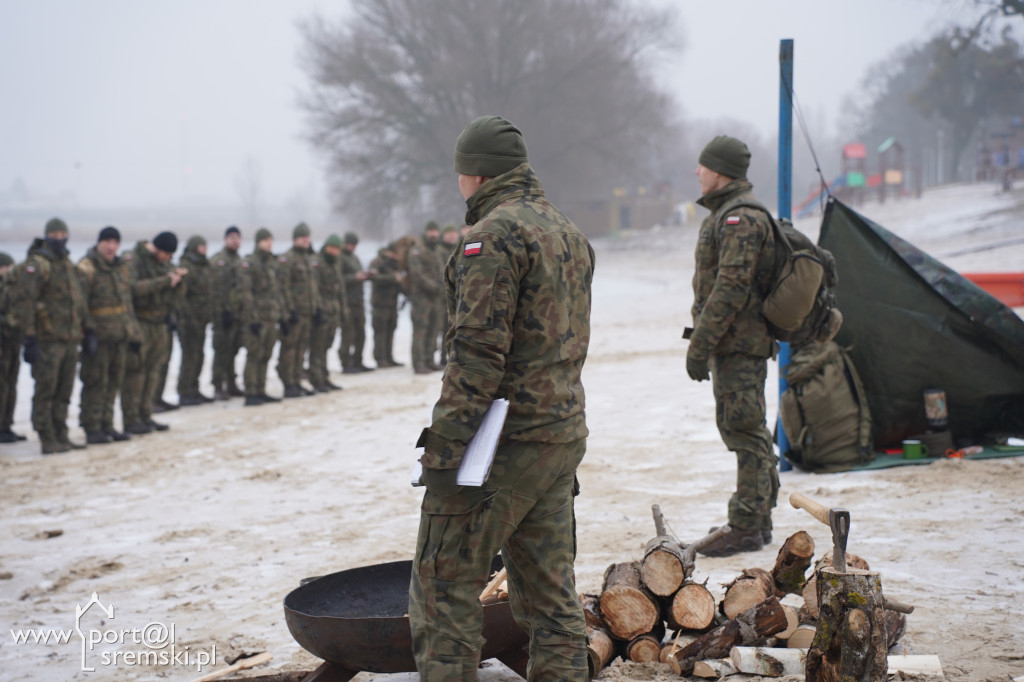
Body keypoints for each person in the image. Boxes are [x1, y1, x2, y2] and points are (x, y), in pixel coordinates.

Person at [409, 115, 594, 680]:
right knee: (551, 600)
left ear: (474, 174)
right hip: (559, 436)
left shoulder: (490, 237)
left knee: (443, 589)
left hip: (502, 445)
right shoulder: (567, 232)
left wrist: (443, 449)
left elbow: (476, 357)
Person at [685, 135, 779, 557]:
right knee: (744, 428)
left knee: (745, 429)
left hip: (740, 345)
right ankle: (755, 520)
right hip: (736, 344)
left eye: (702, 166)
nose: (697, 172)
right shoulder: (729, 213)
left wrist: (699, 344)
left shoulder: (739, 218)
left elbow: (731, 288)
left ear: (720, 171)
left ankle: (746, 522)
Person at [9, 218, 90, 454]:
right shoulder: (37, 265)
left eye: (62, 233)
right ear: (46, 236)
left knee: (64, 390)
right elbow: (25, 303)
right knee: (46, 389)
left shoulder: (66, 264)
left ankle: (60, 432)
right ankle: (46, 435)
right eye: (54, 233)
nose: (59, 238)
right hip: (47, 340)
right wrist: (30, 338)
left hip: (69, 338)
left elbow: (77, 302)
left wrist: (87, 329)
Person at [76, 226, 140, 444]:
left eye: (115, 242)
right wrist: (87, 333)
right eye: (108, 242)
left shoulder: (120, 268)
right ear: (99, 243)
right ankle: (92, 427)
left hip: (119, 336)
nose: (111, 247)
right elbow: (80, 304)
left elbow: (127, 303)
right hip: (98, 337)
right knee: (95, 382)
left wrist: (133, 334)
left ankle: (107, 424)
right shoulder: (87, 267)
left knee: (113, 383)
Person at [122, 231, 186, 434]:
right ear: (158, 249)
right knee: (136, 372)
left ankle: (146, 414)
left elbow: (172, 293)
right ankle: (131, 418)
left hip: (160, 322)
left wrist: (178, 282)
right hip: (140, 322)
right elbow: (132, 289)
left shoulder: (165, 263)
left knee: (153, 371)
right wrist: (165, 281)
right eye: (167, 254)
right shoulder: (133, 260)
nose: (169, 259)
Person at [238, 228, 284, 406]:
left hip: (271, 316)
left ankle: (260, 388)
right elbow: (245, 293)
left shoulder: (272, 264)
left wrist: (280, 313)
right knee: (254, 354)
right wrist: (252, 318)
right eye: (265, 240)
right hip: (256, 318)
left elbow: (276, 292)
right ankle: (250, 391)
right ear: (258, 242)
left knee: (266, 354)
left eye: (270, 240)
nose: (269, 244)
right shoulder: (250, 263)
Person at [277, 222, 321, 398]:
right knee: (289, 349)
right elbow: (283, 287)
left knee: (301, 349)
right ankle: (288, 383)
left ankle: (296, 381)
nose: (306, 241)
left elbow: (312, 287)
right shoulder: (287, 259)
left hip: (307, 312)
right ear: (295, 239)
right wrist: (288, 311)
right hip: (294, 313)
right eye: (303, 238)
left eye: (308, 238)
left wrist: (316, 308)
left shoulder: (309, 259)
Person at [177, 235, 214, 405]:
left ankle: (194, 388)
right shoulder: (186, 267)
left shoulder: (205, 266)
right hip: (188, 320)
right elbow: (181, 296)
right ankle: (185, 391)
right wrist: (186, 317)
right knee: (189, 356)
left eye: (205, 246)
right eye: (201, 246)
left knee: (199, 355)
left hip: (202, 319)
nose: (204, 249)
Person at [210, 226, 245, 400]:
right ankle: (217, 385)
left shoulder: (240, 261)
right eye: (231, 238)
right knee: (221, 350)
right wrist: (221, 311)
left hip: (237, 315)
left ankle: (231, 383)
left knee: (233, 350)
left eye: (237, 238)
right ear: (225, 240)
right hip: (222, 315)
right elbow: (215, 290)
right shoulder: (218, 261)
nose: (235, 241)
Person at [309, 233, 347, 392]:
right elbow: (314, 288)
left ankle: (324, 377)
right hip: (322, 311)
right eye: (331, 248)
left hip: (333, 312)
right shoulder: (317, 263)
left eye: (337, 249)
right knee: (317, 347)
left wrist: (343, 309)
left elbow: (340, 289)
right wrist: (317, 309)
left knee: (326, 346)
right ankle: (316, 378)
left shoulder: (335, 264)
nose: (333, 251)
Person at [406, 222, 444, 374]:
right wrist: (434, 286)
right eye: (431, 231)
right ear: (426, 232)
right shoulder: (417, 250)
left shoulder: (438, 250)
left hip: (437, 298)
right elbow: (417, 274)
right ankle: (419, 362)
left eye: (435, 231)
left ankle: (429, 359)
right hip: (421, 298)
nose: (433, 234)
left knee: (434, 329)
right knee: (420, 330)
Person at [0, 251, 27, 443]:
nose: (8, 271)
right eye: (5, 267)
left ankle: (6, 425)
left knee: (11, 386)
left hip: (13, 343)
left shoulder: (12, 288)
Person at [338, 231, 373, 373]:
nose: (353, 247)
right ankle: (346, 363)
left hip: (358, 301)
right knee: (348, 334)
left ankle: (358, 361)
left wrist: (366, 275)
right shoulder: (340, 258)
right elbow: (339, 279)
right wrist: (354, 277)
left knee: (361, 334)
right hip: (347, 302)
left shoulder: (355, 258)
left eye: (354, 245)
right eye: (351, 244)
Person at [368, 241, 404, 368]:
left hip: (392, 303)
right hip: (380, 304)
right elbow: (374, 278)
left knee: (390, 330)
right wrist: (393, 278)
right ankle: (380, 358)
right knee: (380, 331)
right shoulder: (377, 262)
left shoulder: (395, 264)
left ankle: (389, 357)